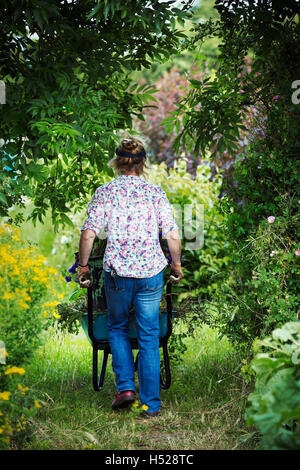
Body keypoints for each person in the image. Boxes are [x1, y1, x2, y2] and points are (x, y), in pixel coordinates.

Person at [78, 135, 183, 417]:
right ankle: (151, 403)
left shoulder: (106, 192)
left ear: (117, 163)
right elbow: (171, 233)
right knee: (149, 335)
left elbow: (89, 232)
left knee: (117, 327)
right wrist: (176, 265)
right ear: (143, 163)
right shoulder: (155, 192)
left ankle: (125, 388)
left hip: (118, 275)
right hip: (150, 273)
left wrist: (84, 267)